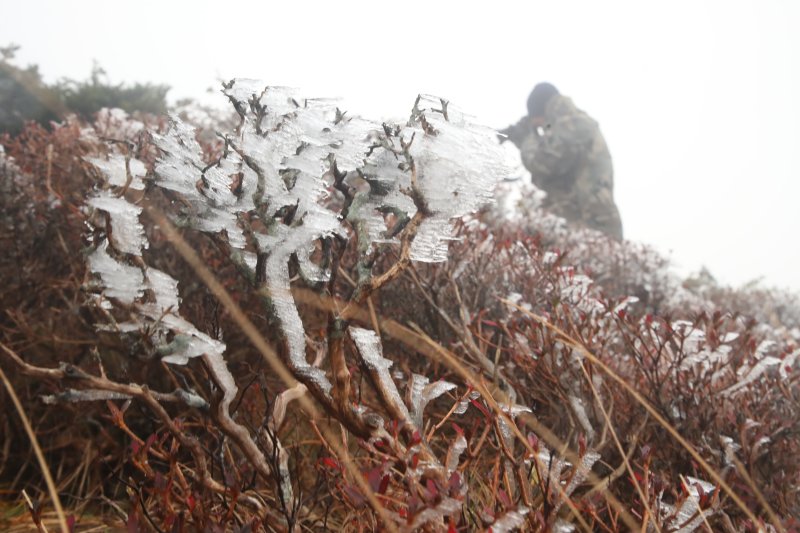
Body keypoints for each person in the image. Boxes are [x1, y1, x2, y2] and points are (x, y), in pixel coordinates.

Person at [501, 83, 623, 240]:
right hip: (583, 220)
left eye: (537, 122)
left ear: (542, 111)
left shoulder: (573, 123)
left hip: (590, 224)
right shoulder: (568, 123)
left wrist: (526, 138)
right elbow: (553, 179)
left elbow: (542, 164)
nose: (540, 128)